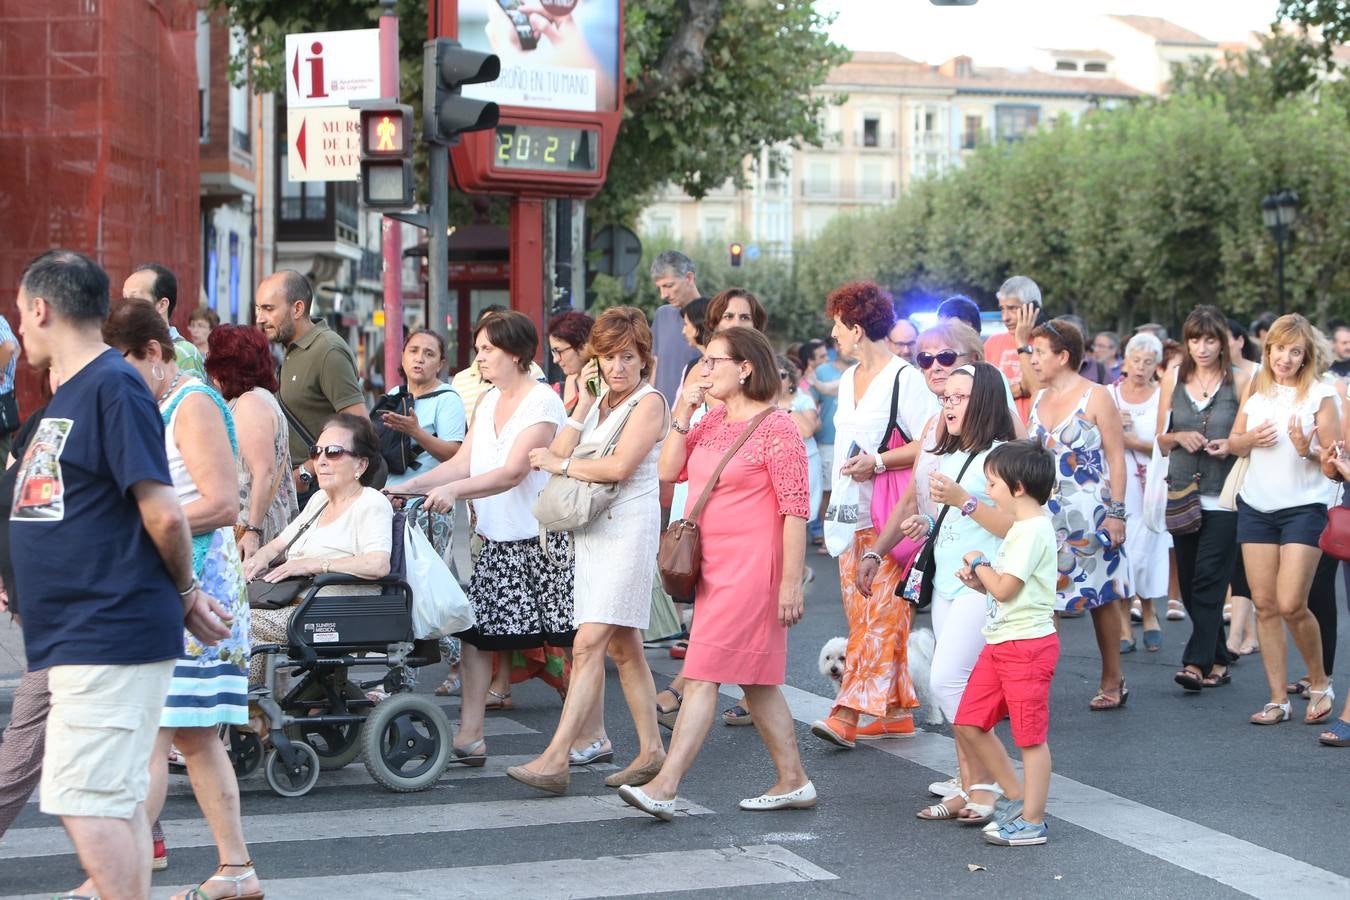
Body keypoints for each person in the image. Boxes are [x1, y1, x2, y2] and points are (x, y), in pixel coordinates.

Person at [10, 250, 230, 898]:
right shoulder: (79, 388)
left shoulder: (113, 384)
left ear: (41, 309)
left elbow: (163, 513)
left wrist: (187, 592)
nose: (19, 328)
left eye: (20, 314)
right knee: (117, 799)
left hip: (106, 628)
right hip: (82, 630)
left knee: (86, 799)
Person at [619, 326, 812, 820]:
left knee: (702, 673)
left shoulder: (778, 427)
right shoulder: (712, 420)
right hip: (713, 565)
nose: (703, 370)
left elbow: (795, 510)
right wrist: (683, 412)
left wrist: (790, 582)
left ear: (744, 368)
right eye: (703, 362)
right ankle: (795, 780)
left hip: (752, 568)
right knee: (756, 681)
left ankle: (665, 785)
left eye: (713, 362)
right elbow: (668, 470)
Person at [103, 297, 261, 900]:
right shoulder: (157, 398)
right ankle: (236, 869)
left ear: (153, 352)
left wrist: (138, 523)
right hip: (180, 582)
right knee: (192, 737)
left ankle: (113, 875)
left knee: (156, 735)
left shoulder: (191, 400)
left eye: (123, 364)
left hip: (197, 586)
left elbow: (223, 504)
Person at [398, 310, 572, 765]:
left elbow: (514, 471)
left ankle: (589, 733)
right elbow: (464, 463)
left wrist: (452, 491)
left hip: (542, 544)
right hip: (497, 541)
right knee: (476, 635)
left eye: (487, 350)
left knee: (570, 641)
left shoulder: (542, 402)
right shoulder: (488, 400)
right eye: (478, 351)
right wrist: (408, 487)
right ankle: (470, 735)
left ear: (515, 354)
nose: (478, 360)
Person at [509, 307, 670, 793]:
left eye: (627, 357)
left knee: (587, 644)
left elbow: (618, 467)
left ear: (645, 360)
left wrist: (561, 465)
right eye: (607, 357)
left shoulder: (650, 402)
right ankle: (652, 750)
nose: (617, 367)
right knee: (625, 648)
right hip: (595, 533)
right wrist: (581, 405)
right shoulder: (601, 403)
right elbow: (562, 445)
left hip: (628, 532)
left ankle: (556, 758)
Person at [862, 363, 1016, 823]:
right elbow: (950, 519)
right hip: (948, 581)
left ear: (986, 399)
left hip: (982, 583)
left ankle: (993, 785)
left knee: (949, 682)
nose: (949, 405)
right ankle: (971, 786)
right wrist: (926, 523)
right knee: (960, 687)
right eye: (946, 398)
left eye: (960, 397)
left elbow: (1014, 525)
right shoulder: (950, 455)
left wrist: (961, 501)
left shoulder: (1005, 454)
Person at [812, 281, 936, 747]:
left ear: (858, 328)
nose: (834, 334)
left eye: (838, 326)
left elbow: (931, 444)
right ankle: (895, 711)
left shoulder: (906, 379)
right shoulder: (848, 379)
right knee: (865, 616)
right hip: (850, 515)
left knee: (881, 616)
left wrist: (880, 462)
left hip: (892, 517)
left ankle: (847, 711)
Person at [1229, 313, 1338, 725]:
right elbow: (1236, 443)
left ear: (1306, 354)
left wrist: (1305, 449)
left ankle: (1319, 680)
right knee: (1265, 604)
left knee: (1293, 602)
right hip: (1257, 506)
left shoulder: (1322, 396)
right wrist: (1249, 440)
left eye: (1295, 351)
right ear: (1268, 349)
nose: (1285, 358)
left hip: (1306, 507)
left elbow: (1335, 464)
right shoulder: (1257, 390)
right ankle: (1278, 699)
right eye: (1279, 349)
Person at [952, 440, 1060, 847]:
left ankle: (1032, 819)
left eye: (992, 484)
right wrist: (982, 581)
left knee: (1030, 737)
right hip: (1004, 640)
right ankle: (1018, 799)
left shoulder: (1031, 531)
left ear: (1018, 487)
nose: (988, 492)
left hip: (1026, 647)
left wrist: (980, 563)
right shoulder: (1023, 529)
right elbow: (1006, 591)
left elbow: (1007, 588)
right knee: (968, 721)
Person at [1025, 317, 1129, 710]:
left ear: (1063, 356)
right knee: (1042, 598)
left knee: (1100, 597)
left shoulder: (1097, 396)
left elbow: (1117, 459)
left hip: (1092, 514)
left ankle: (1112, 678)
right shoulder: (1038, 399)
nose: (1033, 360)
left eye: (1039, 352)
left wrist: (1117, 513)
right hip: (1044, 514)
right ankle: (1038, 685)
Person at [243, 414, 394, 685]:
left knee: (240, 624)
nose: (320, 461)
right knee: (224, 615)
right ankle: (259, 707)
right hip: (297, 605)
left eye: (334, 452)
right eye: (317, 451)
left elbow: (378, 564)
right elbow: (278, 545)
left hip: (336, 612)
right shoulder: (320, 499)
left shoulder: (371, 502)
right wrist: (255, 561)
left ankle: (253, 710)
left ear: (361, 463)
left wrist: (314, 564)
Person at [254, 270, 369, 506]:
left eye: (268, 309)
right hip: (295, 489)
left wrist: (307, 471)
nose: (260, 318)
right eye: (258, 309)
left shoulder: (328, 351)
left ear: (297, 309)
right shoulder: (290, 348)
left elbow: (359, 426)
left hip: (319, 491)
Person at [0, 368, 55, 839]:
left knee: (26, 732)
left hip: (70, 611)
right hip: (47, 602)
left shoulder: (84, 423)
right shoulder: (48, 421)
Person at [206, 325, 299, 561]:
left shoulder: (250, 404)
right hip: (251, 527)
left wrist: (253, 532)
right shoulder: (256, 398)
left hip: (251, 531)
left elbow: (263, 472)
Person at [1113, 332, 1169, 653]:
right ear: (1126, 360)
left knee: (1148, 550)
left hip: (1152, 485)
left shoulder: (1162, 396)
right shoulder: (1110, 395)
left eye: (1148, 362)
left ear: (1156, 366)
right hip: (1120, 484)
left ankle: (1149, 612)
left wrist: (1132, 441)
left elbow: (1166, 443)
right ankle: (1123, 622)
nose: (1140, 367)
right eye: (1135, 360)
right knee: (1121, 551)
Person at [379, 329, 467, 488]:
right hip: (389, 493)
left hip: (425, 500)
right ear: (403, 357)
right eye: (413, 351)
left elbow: (455, 456)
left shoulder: (447, 398)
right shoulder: (395, 393)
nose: (419, 359)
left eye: (429, 354)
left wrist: (416, 432)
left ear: (440, 364)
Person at [1223, 317, 1261, 655]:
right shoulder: (1207, 376)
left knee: (1248, 558)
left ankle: (1248, 634)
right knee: (1237, 559)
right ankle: (1242, 634)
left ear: (1238, 340)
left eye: (1222, 339)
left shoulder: (1254, 374)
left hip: (1249, 470)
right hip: (1222, 470)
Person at [123, 263, 208, 381]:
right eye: (125, 299)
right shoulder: (125, 351)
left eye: (134, 299)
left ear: (162, 305)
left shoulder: (185, 354)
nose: (125, 307)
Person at [778, 355, 821, 583]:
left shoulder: (803, 400)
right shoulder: (762, 401)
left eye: (782, 375)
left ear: (791, 378)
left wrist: (785, 408)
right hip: (777, 464)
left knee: (799, 517)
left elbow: (807, 430)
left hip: (805, 461)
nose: (778, 380)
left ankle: (797, 571)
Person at [985, 276, 1043, 423]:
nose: (1005, 318)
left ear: (1033, 309)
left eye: (1012, 309)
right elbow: (983, 394)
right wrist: (1020, 388)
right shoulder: (992, 343)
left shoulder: (1047, 344)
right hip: (997, 434)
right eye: (1002, 309)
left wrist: (1021, 342)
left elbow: (1039, 391)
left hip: (1033, 435)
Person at [650, 251, 703, 406]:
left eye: (668, 286)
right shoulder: (662, 315)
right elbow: (655, 365)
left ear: (689, 278)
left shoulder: (715, 316)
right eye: (660, 287)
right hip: (662, 416)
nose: (663, 295)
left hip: (698, 416)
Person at [547, 311, 596, 417]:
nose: (555, 360)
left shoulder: (605, 383)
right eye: (553, 352)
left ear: (582, 346)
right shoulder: (559, 388)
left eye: (558, 351)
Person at [0, 312, 19, 463]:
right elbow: (16, 349)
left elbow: (9, 347)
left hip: (1, 401)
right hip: (6, 398)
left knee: (3, 458)